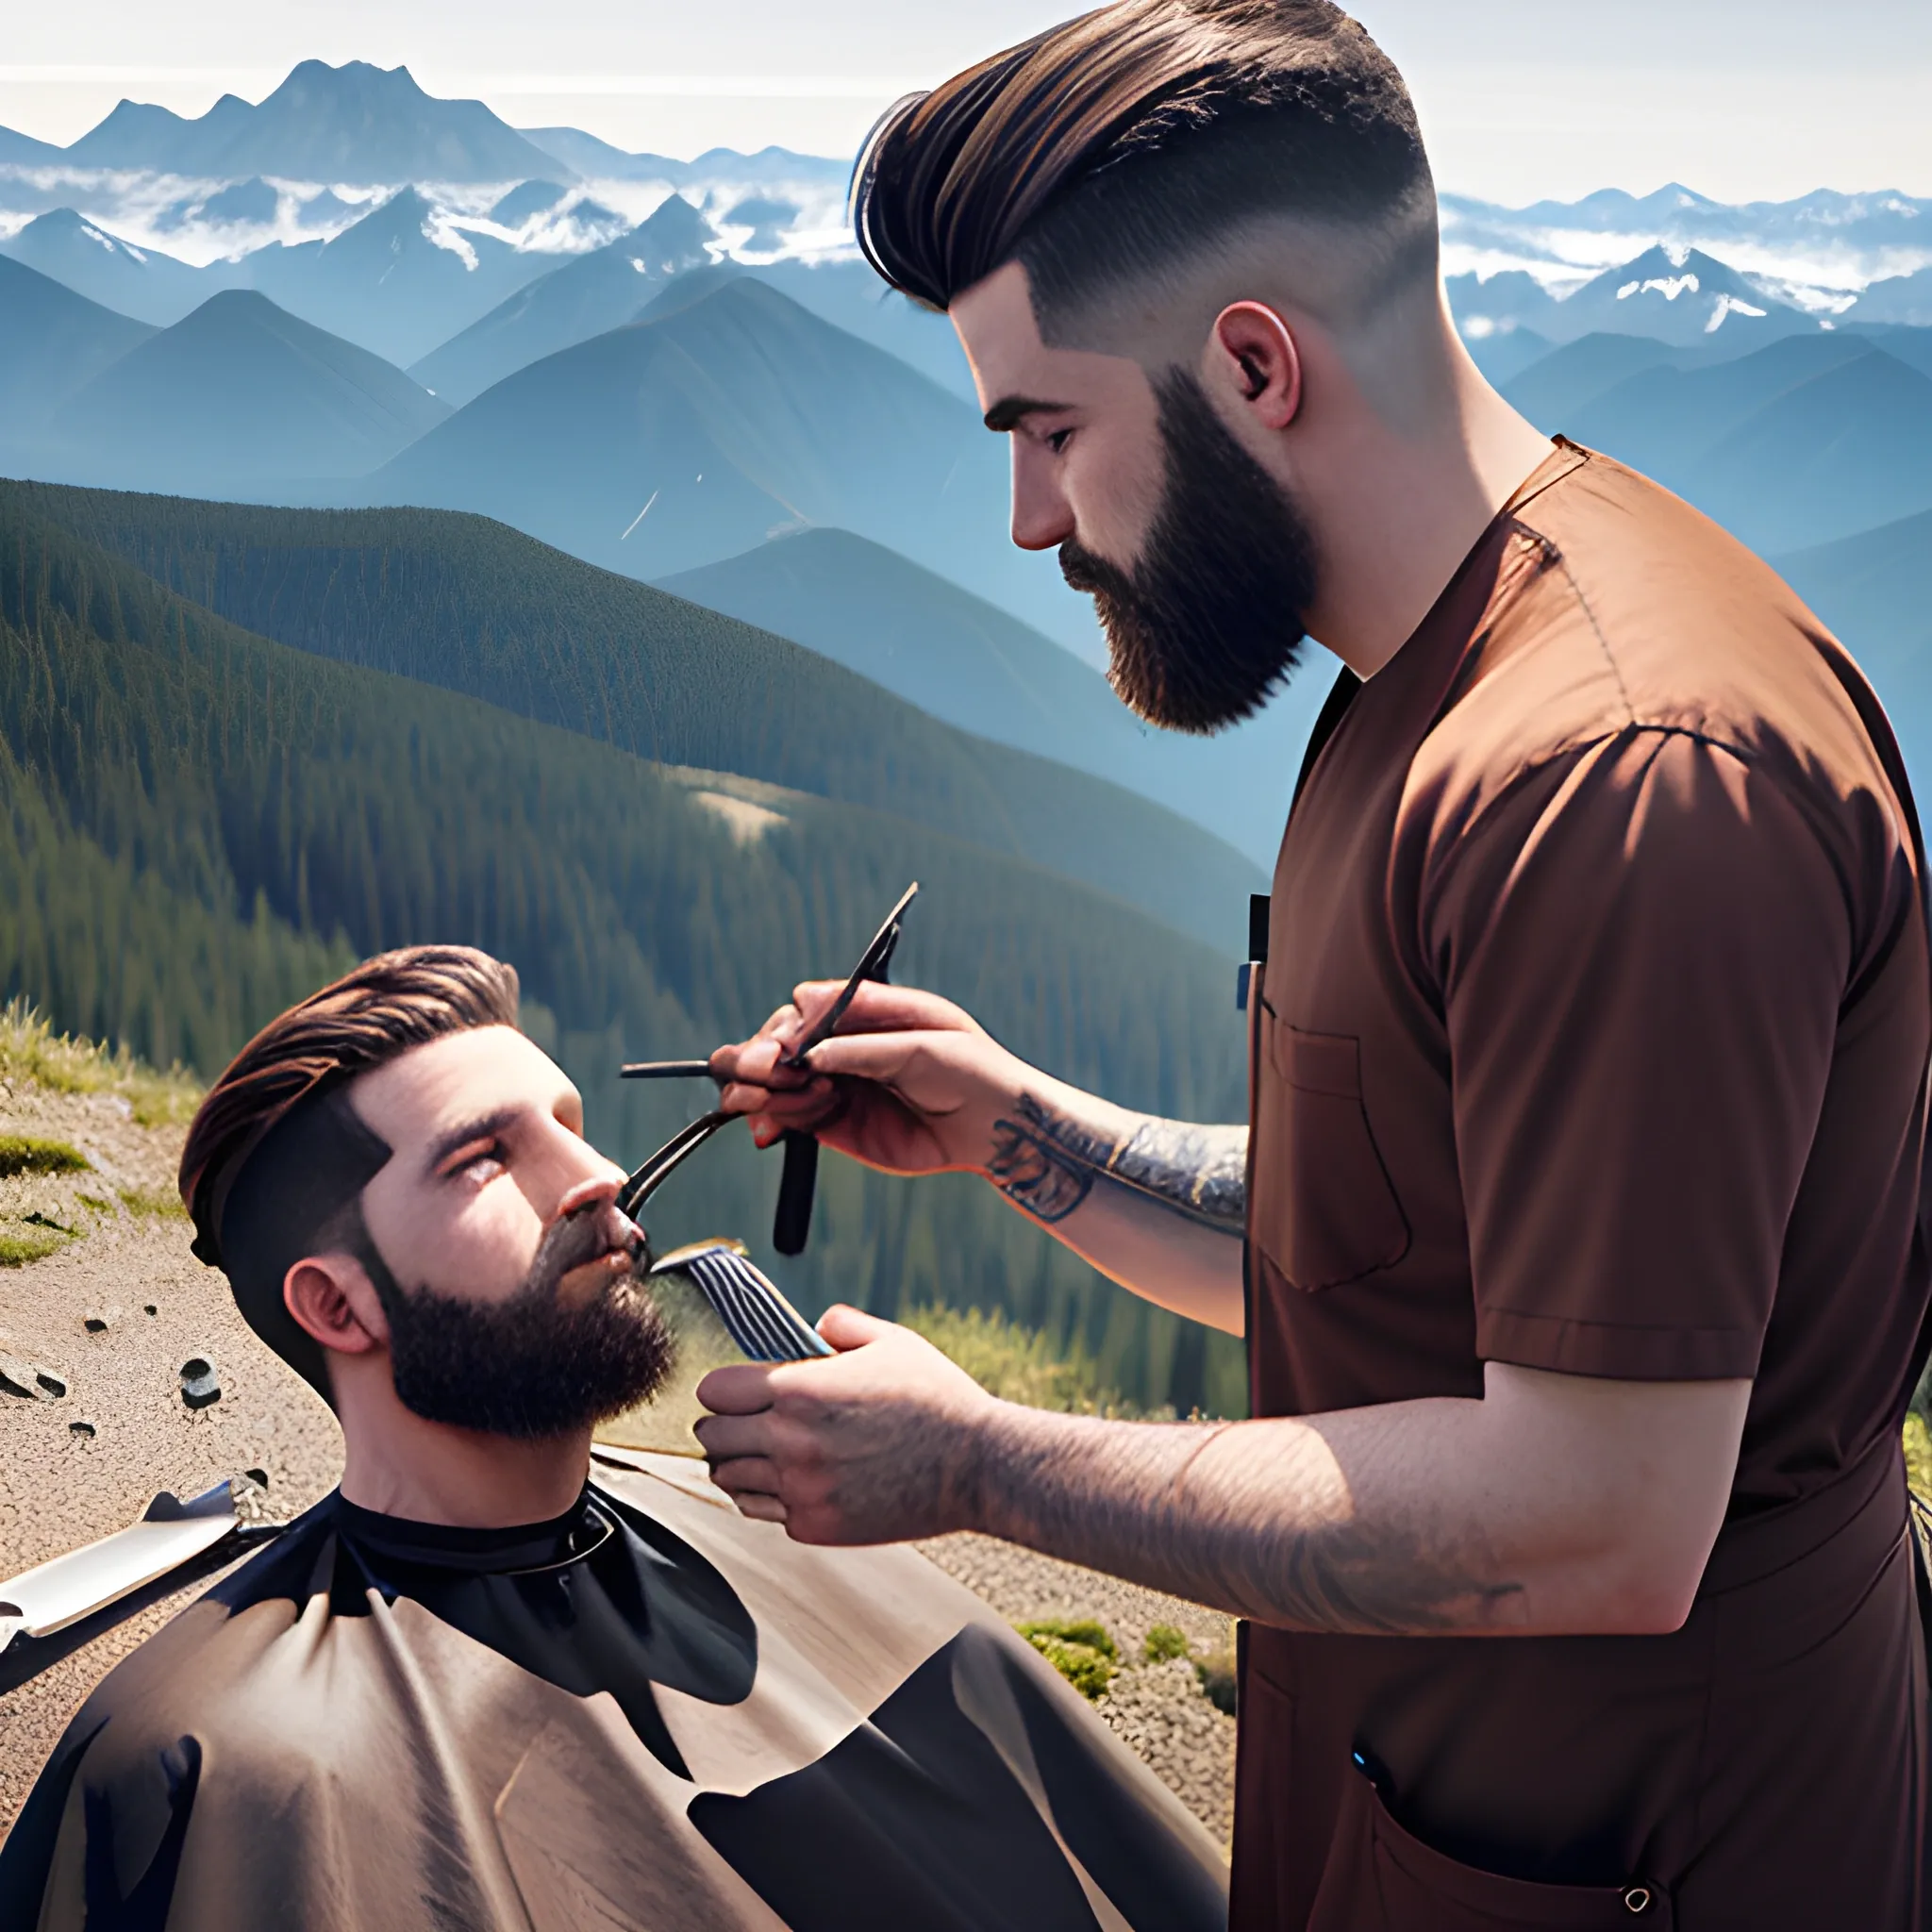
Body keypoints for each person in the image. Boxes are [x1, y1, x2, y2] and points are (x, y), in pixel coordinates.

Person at [693, 4, 1932, 1926]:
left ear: (1252, 364)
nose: (1028, 517)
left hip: (1644, 1855)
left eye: (1047, 428)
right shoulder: (1417, 676)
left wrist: (976, 1463)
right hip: (1433, 1821)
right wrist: (1030, 1131)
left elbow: (1600, 1516)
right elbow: (1434, 1236)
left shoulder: (1618, 779)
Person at [0, 946, 1228, 1932]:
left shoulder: (797, 1535)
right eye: (487, 1158)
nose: (597, 1176)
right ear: (337, 1306)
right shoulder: (228, 1765)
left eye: (572, 1124)